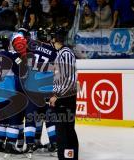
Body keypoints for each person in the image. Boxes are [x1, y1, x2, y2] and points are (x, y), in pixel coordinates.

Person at [11, 26, 58, 158]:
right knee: (49, 117)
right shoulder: (53, 50)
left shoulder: (29, 47)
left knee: (30, 117)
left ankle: (30, 145)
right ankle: (54, 144)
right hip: (48, 87)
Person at [48, 26, 78, 160]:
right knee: (64, 129)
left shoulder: (65, 53)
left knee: (65, 130)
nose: (50, 41)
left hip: (65, 98)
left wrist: (57, 96)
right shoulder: (61, 53)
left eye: (52, 38)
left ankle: (68, 157)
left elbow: (67, 79)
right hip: (64, 96)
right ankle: (68, 157)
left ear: (56, 39)